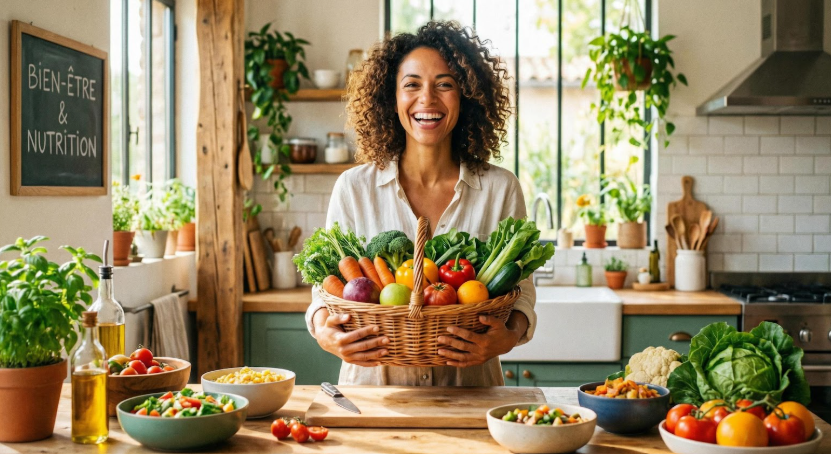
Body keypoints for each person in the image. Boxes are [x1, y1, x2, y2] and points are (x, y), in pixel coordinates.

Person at [304, 21, 537, 386]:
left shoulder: (500, 188)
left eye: (445, 84)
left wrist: (509, 336)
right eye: (412, 84)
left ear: (467, 96)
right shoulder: (354, 188)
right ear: (390, 98)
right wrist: (324, 332)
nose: (427, 99)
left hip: (470, 394)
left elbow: (523, 292)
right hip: (373, 396)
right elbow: (323, 291)